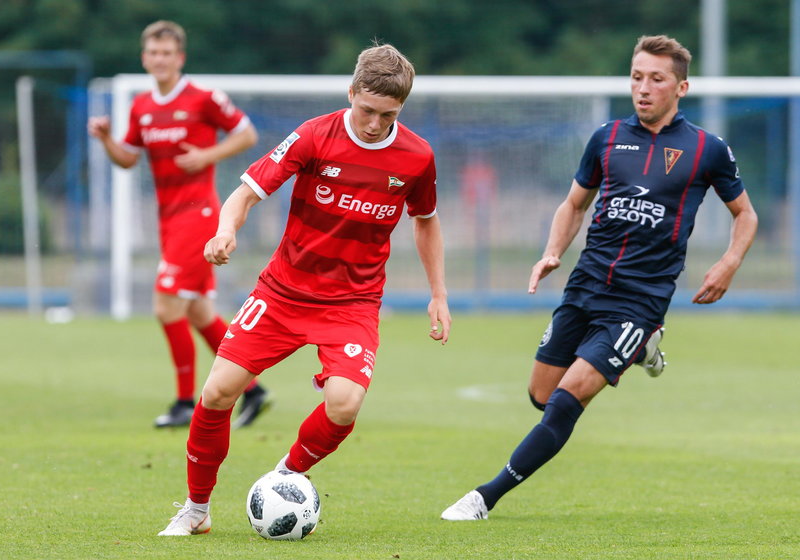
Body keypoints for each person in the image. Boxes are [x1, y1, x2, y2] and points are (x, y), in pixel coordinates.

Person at [441, 34, 758, 521]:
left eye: (656, 79)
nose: (644, 88)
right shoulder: (606, 138)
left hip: (641, 297)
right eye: (636, 78)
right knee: (541, 395)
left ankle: (485, 496)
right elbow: (574, 203)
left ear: (682, 87)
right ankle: (645, 346)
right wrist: (552, 252)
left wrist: (729, 262)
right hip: (586, 284)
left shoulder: (707, 150)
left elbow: (746, 215)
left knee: (567, 401)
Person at [157, 42, 451, 536]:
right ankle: (196, 509)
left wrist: (437, 293)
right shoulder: (315, 136)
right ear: (351, 92)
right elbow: (246, 192)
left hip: (353, 303)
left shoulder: (417, 157)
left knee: (345, 403)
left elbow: (425, 222)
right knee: (217, 392)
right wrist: (226, 230)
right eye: (367, 110)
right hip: (284, 292)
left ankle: (287, 475)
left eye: (388, 114)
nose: (375, 123)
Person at [87, 20, 271, 429]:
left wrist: (208, 156)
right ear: (145, 58)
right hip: (168, 217)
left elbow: (246, 134)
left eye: (168, 53)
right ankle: (254, 390)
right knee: (200, 312)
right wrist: (105, 139)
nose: (160, 59)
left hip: (200, 213)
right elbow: (128, 159)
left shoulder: (204, 98)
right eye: (153, 52)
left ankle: (186, 401)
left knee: (165, 305)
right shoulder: (141, 107)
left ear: (180, 58)